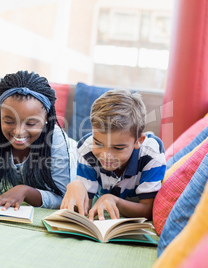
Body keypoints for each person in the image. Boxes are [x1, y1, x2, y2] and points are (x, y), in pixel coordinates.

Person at [0, 70, 76, 210]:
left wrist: (26, 191)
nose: (19, 131)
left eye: (31, 124)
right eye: (8, 121)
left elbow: (64, 198)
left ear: (47, 118)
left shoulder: (56, 140)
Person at [61, 89, 166, 220]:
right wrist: (75, 186)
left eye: (118, 148)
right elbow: (85, 207)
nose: (106, 155)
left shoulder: (152, 153)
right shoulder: (87, 149)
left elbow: (148, 210)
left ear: (139, 141)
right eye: (98, 143)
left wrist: (115, 201)